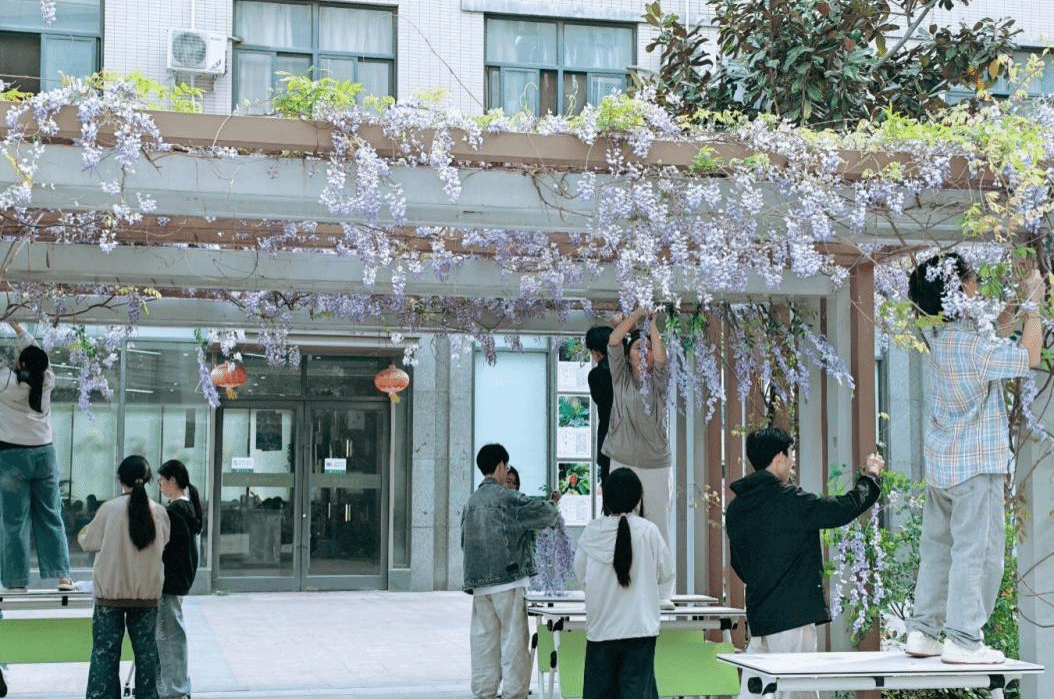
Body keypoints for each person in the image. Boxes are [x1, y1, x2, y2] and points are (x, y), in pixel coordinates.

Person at [903, 253, 1044, 664]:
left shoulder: (942, 335)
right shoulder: (974, 347)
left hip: (943, 466)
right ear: (959, 288)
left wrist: (1017, 301)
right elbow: (1029, 355)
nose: (978, 283)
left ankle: (923, 632)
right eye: (972, 278)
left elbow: (996, 332)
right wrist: (1035, 304)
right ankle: (964, 641)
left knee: (938, 549)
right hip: (976, 467)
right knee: (978, 553)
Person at [725, 427, 883, 699]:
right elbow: (842, 508)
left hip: (760, 616)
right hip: (793, 617)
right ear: (779, 458)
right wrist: (870, 477)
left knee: (756, 692)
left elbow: (738, 564)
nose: (793, 463)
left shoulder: (737, 508)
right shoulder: (790, 500)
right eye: (791, 456)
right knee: (797, 690)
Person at [461, 443, 561, 699]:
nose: (507, 472)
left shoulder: (471, 501)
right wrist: (552, 503)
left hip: (479, 584)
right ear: (500, 466)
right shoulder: (507, 498)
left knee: (484, 642)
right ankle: (515, 693)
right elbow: (544, 514)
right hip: (509, 579)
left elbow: (463, 542)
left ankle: (484, 691)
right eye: (506, 467)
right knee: (513, 642)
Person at [574, 467, 674, 699]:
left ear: (606, 497)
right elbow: (666, 573)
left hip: (601, 630)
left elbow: (580, 573)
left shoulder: (592, 532)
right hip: (640, 630)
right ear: (638, 498)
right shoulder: (649, 532)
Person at [78, 455, 171, 699]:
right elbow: (165, 542)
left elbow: (87, 542)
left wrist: (83, 529)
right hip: (147, 595)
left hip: (110, 595)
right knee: (147, 654)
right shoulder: (159, 512)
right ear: (148, 479)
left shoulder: (108, 509)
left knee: (105, 654)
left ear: (120, 479)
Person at [0, 320, 74, 592]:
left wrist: (13, 324)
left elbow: (30, 355)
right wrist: (20, 330)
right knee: (51, 516)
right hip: (45, 455)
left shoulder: (5, 383)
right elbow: (37, 355)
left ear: (20, 363)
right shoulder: (47, 380)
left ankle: (16, 582)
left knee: (14, 522)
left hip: (12, 456)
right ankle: (63, 577)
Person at [601, 307, 673, 543]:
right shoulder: (620, 376)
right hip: (621, 459)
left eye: (648, 349)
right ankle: (623, 567)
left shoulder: (659, 381)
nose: (644, 353)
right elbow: (614, 341)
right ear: (627, 356)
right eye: (638, 348)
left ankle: (660, 568)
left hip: (656, 462)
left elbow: (662, 359)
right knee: (621, 523)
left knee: (657, 524)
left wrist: (652, 324)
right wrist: (638, 314)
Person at [156, 460, 203, 699]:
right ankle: (174, 688)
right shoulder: (187, 509)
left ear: (172, 481)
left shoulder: (174, 513)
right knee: (171, 635)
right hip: (177, 583)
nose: (159, 486)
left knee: (169, 638)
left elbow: (167, 552)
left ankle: (175, 691)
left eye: (161, 481)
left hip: (168, 584)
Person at [585, 325, 614, 486]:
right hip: (631, 441)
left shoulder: (595, 375)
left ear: (597, 353)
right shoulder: (627, 369)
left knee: (609, 489)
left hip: (607, 440)